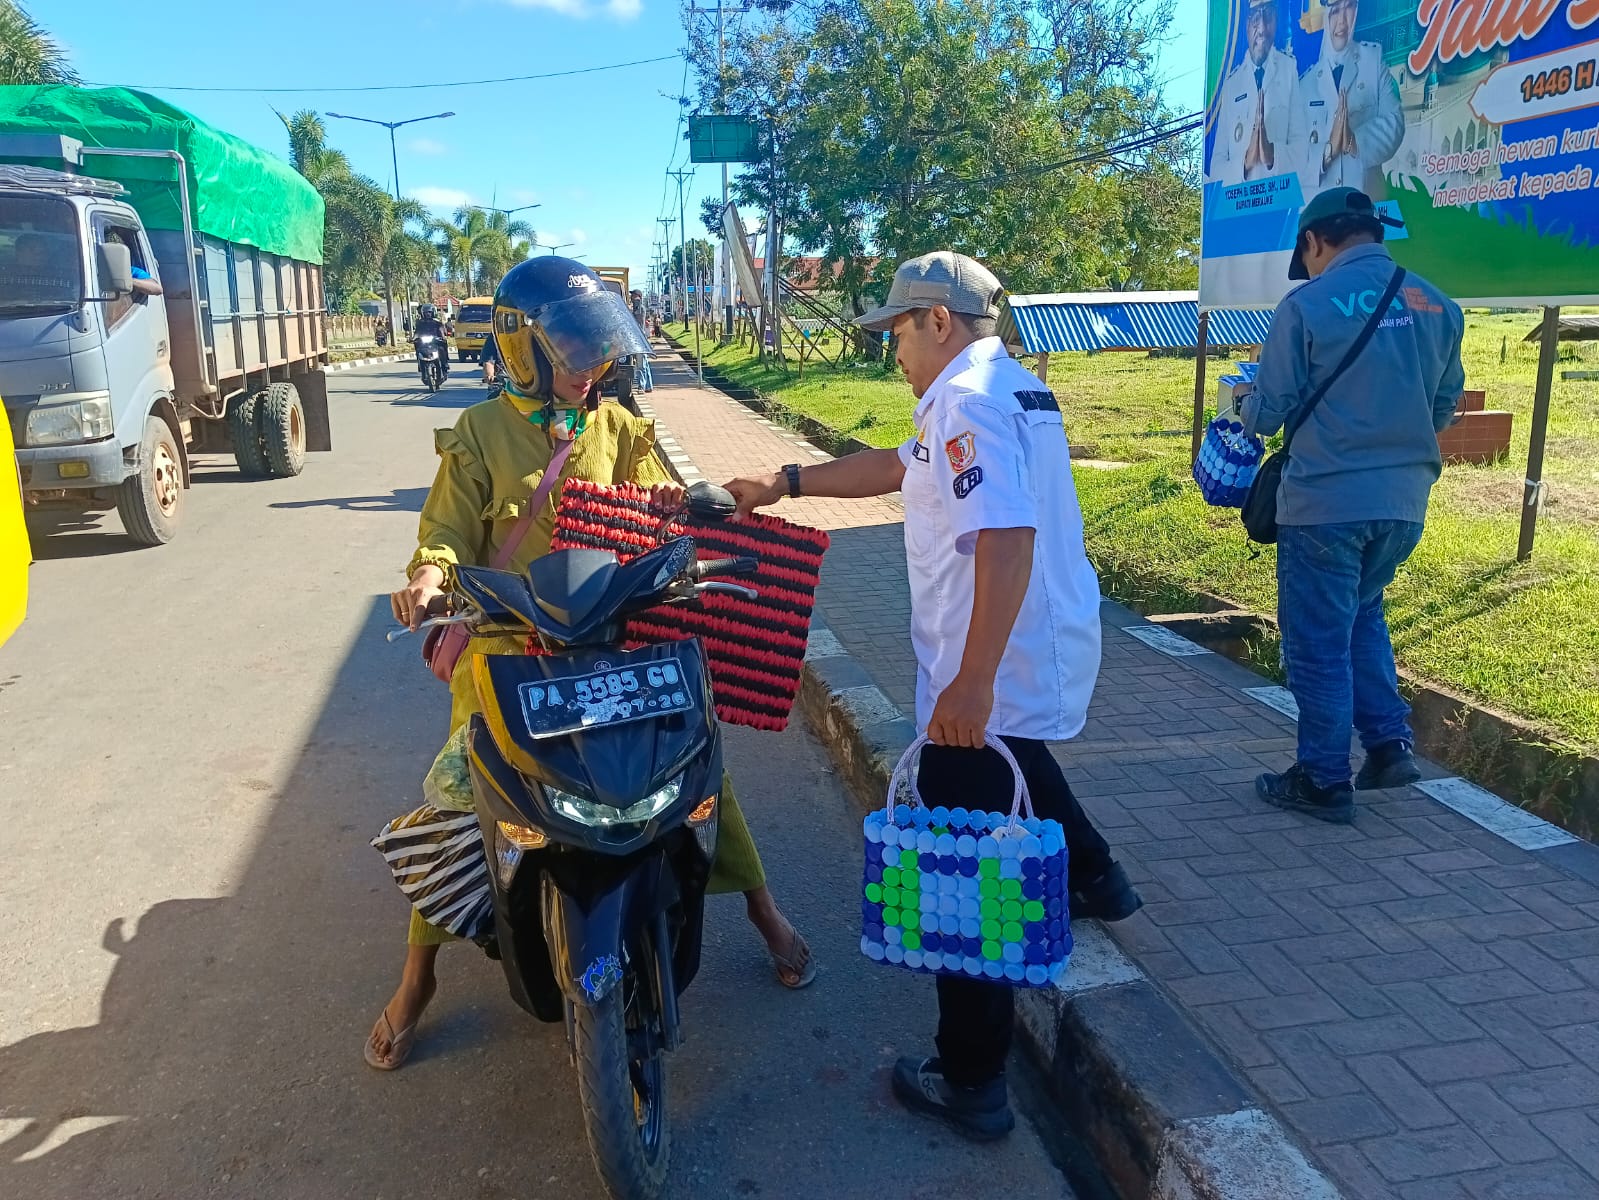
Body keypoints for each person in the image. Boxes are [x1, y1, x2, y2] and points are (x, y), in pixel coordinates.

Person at [724, 251, 1142, 1141]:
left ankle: (970, 1078)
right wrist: (783, 485)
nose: (893, 352)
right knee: (1019, 762)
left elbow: (1004, 538)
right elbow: (899, 468)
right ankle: (1099, 878)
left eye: (898, 333)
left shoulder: (966, 401)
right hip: (1030, 648)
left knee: (971, 876)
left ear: (939, 323)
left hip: (993, 656)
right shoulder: (1002, 386)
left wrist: (970, 681)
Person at [367, 258, 813, 1071]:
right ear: (523, 349)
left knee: (699, 769)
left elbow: (652, 516)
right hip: (507, 654)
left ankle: (764, 913)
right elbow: (442, 537)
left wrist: (683, 511)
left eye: (597, 350)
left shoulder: (619, 428)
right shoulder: (477, 435)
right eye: (573, 350)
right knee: (454, 799)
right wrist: (426, 583)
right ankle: (416, 979)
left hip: (612, 643)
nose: (592, 366)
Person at [1241, 188, 1464, 824]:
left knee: (1316, 644)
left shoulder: (1306, 306)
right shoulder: (1435, 304)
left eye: (1304, 254)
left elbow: (1269, 409)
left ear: (1314, 241)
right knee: (1362, 613)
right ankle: (1390, 748)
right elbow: (1444, 404)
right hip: (1404, 503)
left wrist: (1243, 405)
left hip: (1325, 504)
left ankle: (1322, 779)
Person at [1299, 0, 1403, 196]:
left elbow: (1395, 122)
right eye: (1336, 10)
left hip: (1367, 207)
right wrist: (1329, 149)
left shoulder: (1372, 60)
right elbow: (1293, 160)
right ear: (1325, 14)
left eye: (1349, 8)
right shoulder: (1305, 84)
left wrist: (1354, 141)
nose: (1342, 21)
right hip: (1322, 214)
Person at [1211, 0, 1306, 186]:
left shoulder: (1289, 69)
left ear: (1277, 20)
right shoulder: (1232, 84)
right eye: (1255, 17)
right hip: (1241, 207)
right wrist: (1246, 161)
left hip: (1279, 202)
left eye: (1268, 15)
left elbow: (1303, 152)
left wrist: (1272, 155)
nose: (1262, 28)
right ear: (1247, 25)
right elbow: (1216, 169)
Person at [412, 304, 450, 381]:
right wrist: (413, 338)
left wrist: (442, 336)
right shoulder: (420, 323)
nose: (428, 314)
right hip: (424, 342)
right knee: (417, 347)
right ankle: (420, 364)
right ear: (423, 313)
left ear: (433, 312)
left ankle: (445, 363)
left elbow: (441, 330)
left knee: (442, 348)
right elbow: (417, 332)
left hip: (435, 341)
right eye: (426, 313)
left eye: (429, 312)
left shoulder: (437, 322)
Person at [629, 289, 655, 393]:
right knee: (644, 363)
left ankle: (641, 386)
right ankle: (648, 386)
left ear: (638, 296)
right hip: (640, 338)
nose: (631, 297)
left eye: (633, 295)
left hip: (639, 338)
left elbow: (636, 319)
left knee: (640, 364)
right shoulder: (638, 308)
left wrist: (636, 302)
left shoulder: (639, 307)